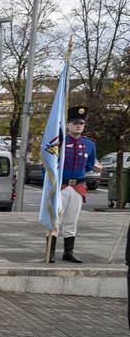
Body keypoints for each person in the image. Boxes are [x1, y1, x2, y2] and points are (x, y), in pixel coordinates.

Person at [52, 106, 96, 263]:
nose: (78, 126)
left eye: (81, 123)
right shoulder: (59, 142)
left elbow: (89, 165)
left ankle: (68, 252)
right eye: (75, 123)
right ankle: (50, 251)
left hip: (77, 187)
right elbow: (50, 163)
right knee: (55, 220)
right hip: (61, 186)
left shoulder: (89, 144)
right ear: (68, 125)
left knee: (72, 221)